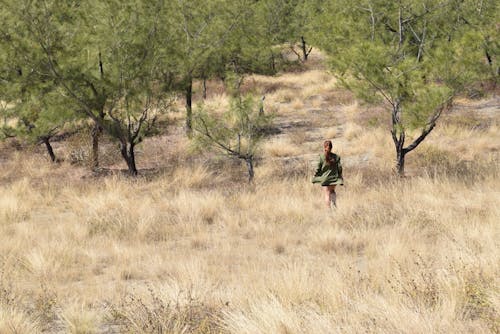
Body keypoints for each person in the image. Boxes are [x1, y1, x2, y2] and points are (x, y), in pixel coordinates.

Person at [312, 140, 343, 208]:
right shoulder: (336, 157)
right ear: (331, 147)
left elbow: (318, 168)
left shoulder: (321, 157)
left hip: (325, 179)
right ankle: (334, 205)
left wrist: (315, 175)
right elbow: (340, 168)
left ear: (324, 147)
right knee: (332, 191)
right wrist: (340, 176)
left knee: (327, 194)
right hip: (334, 178)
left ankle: (328, 209)